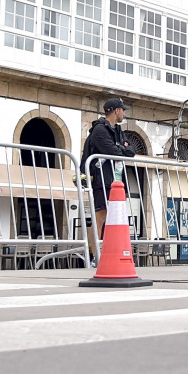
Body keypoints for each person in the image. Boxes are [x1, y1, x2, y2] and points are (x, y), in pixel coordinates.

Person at [81, 98, 136, 265]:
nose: (124, 113)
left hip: (117, 180)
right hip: (102, 178)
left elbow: (131, 150)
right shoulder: (99, 130)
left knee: (114, 218)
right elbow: (112, 150)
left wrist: (122, 149)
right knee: (100, 216)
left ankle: (108, 252)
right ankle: (94, 256)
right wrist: (122, 148)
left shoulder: (118, 130)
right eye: (123, 110)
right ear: (116, 111)